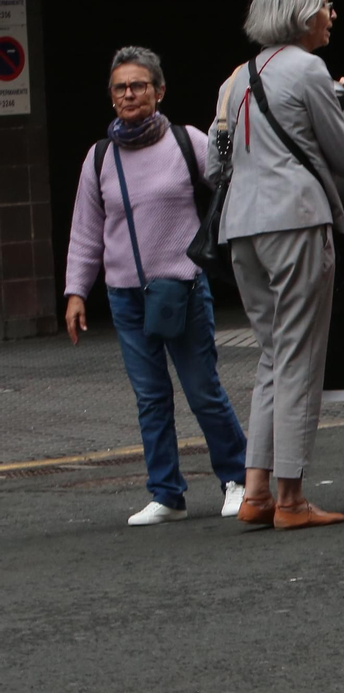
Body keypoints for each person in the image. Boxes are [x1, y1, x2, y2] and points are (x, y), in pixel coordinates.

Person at [210, 0, 344, 530]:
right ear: (305, 14)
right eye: (327, 6)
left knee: (272, 354)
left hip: (241, 227)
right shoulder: (309, 68)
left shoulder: (240, 76)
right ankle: (290, 497)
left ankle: (257, 491)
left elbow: (221, 161)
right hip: (297, 220)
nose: (333, 16)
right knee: (302, 357)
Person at [66, 47, 248, 526]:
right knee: (150, 398)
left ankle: (237, 478)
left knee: (202, 389)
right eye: (121, 87)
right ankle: (167, 493)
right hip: (125, 295)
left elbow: (233, 181)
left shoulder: (187, 142)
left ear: (159, 91)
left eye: (139, 85)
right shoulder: (100, 156)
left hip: (182, 289)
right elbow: (86, 229)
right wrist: (76, 292)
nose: (129, 94)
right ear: (111, 97)